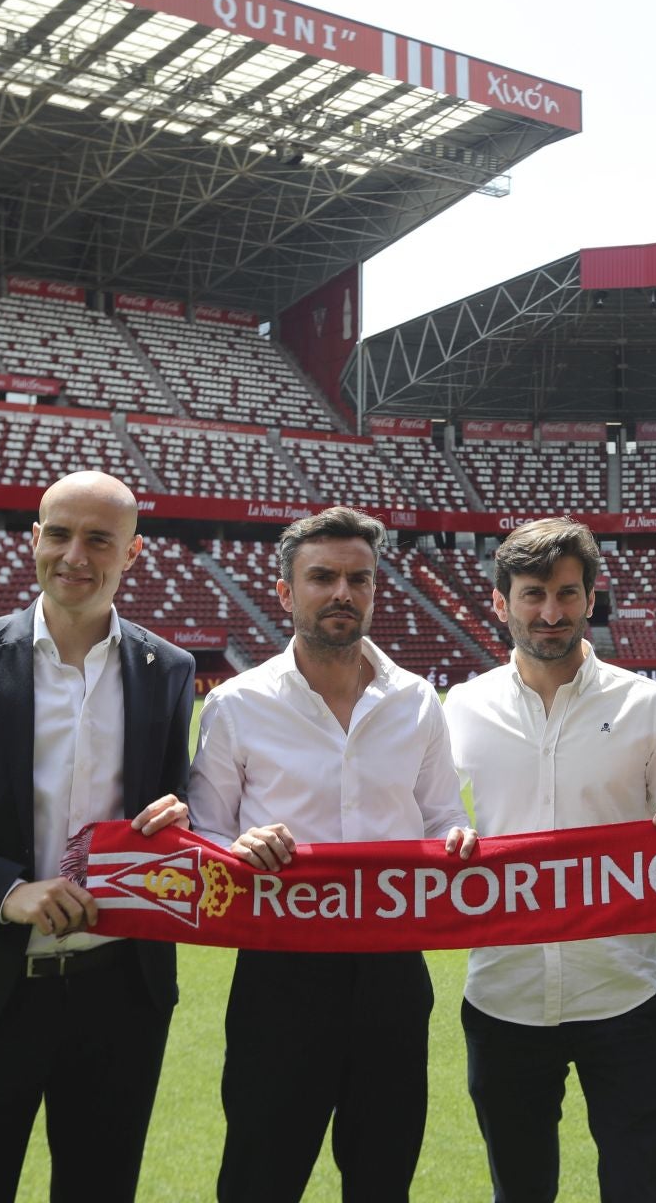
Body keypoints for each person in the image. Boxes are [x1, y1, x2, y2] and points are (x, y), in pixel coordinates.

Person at [0, 470, 197, 1202]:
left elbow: (176, 812)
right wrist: (8, 892)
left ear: (133, 554)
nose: (74, 555)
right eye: (58, 533)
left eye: (98, 539)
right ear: (33, 541)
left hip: (121, 998)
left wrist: (178, 825)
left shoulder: (167, 669)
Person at [188, 507, 478, 1203]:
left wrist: (458, 841)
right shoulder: (235, 705)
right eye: (322, 578)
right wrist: (236, 848)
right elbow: (200, 840)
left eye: (358, 578)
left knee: (383, 1177)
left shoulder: (415, 701)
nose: (342, 593)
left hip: (392, 977)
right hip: (279, 978)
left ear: (376, 590)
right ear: (287, 593)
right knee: (261, 1175)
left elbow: (441, 817)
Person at [444, 518, 656, 1203]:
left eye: (567, 593)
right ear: (502, 604)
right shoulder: (463, 708)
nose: (551, 613)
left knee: (642, 1188)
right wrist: (448, 838)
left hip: (622, 991)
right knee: (521, 1190)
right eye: (533, 594)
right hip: (505, 995)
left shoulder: (645, 704)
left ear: (590, 599)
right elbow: (429, 823)